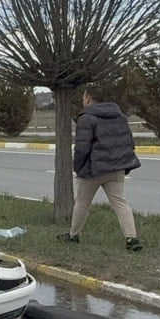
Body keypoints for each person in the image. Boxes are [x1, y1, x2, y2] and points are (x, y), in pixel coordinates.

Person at [59, 84, 143, 251]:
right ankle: (131, 238)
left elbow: (82, 147)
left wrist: (78, 167)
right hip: (116, 168)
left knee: (82, 202)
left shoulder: (86, 117)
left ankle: (74, 235)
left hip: (93, 169)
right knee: (120, 202)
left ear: (88, 99)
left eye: (83, 97)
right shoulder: (120, 116)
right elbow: (127, 142)